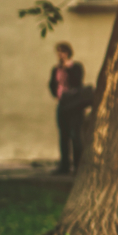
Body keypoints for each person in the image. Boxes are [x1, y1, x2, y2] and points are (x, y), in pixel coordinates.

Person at [48, 42, 86, 174]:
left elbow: (77, 82)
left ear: (68, 53)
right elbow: (52, 84)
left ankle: (77, 166)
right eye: (58, 52)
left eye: (63, 51)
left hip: (75, 104)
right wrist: (57, 93)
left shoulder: (76, 67)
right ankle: (64, 166)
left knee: (75, 135)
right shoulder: (56, 69)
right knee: (63, 136)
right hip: (62, 103)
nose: (60, 54)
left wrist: (67, 68)